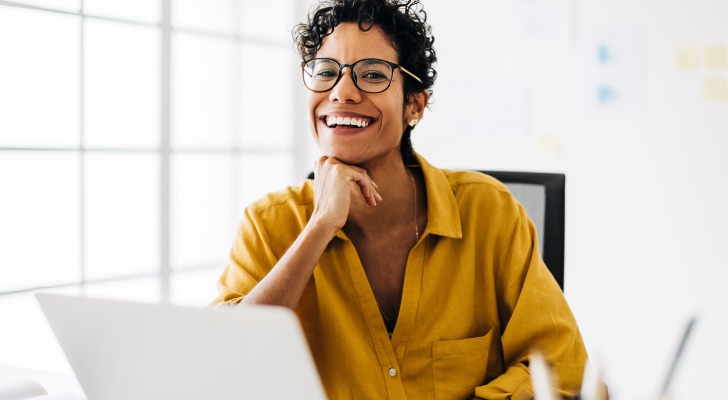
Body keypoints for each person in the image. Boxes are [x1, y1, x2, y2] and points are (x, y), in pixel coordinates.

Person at [212, 0, 587, 398]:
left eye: (372, 74)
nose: (341, 93)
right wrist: (320, 226)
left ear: (414, 105)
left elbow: (561, 367)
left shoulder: (490, 212)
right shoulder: (268, 225)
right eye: (325, 72)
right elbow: (222, 369)